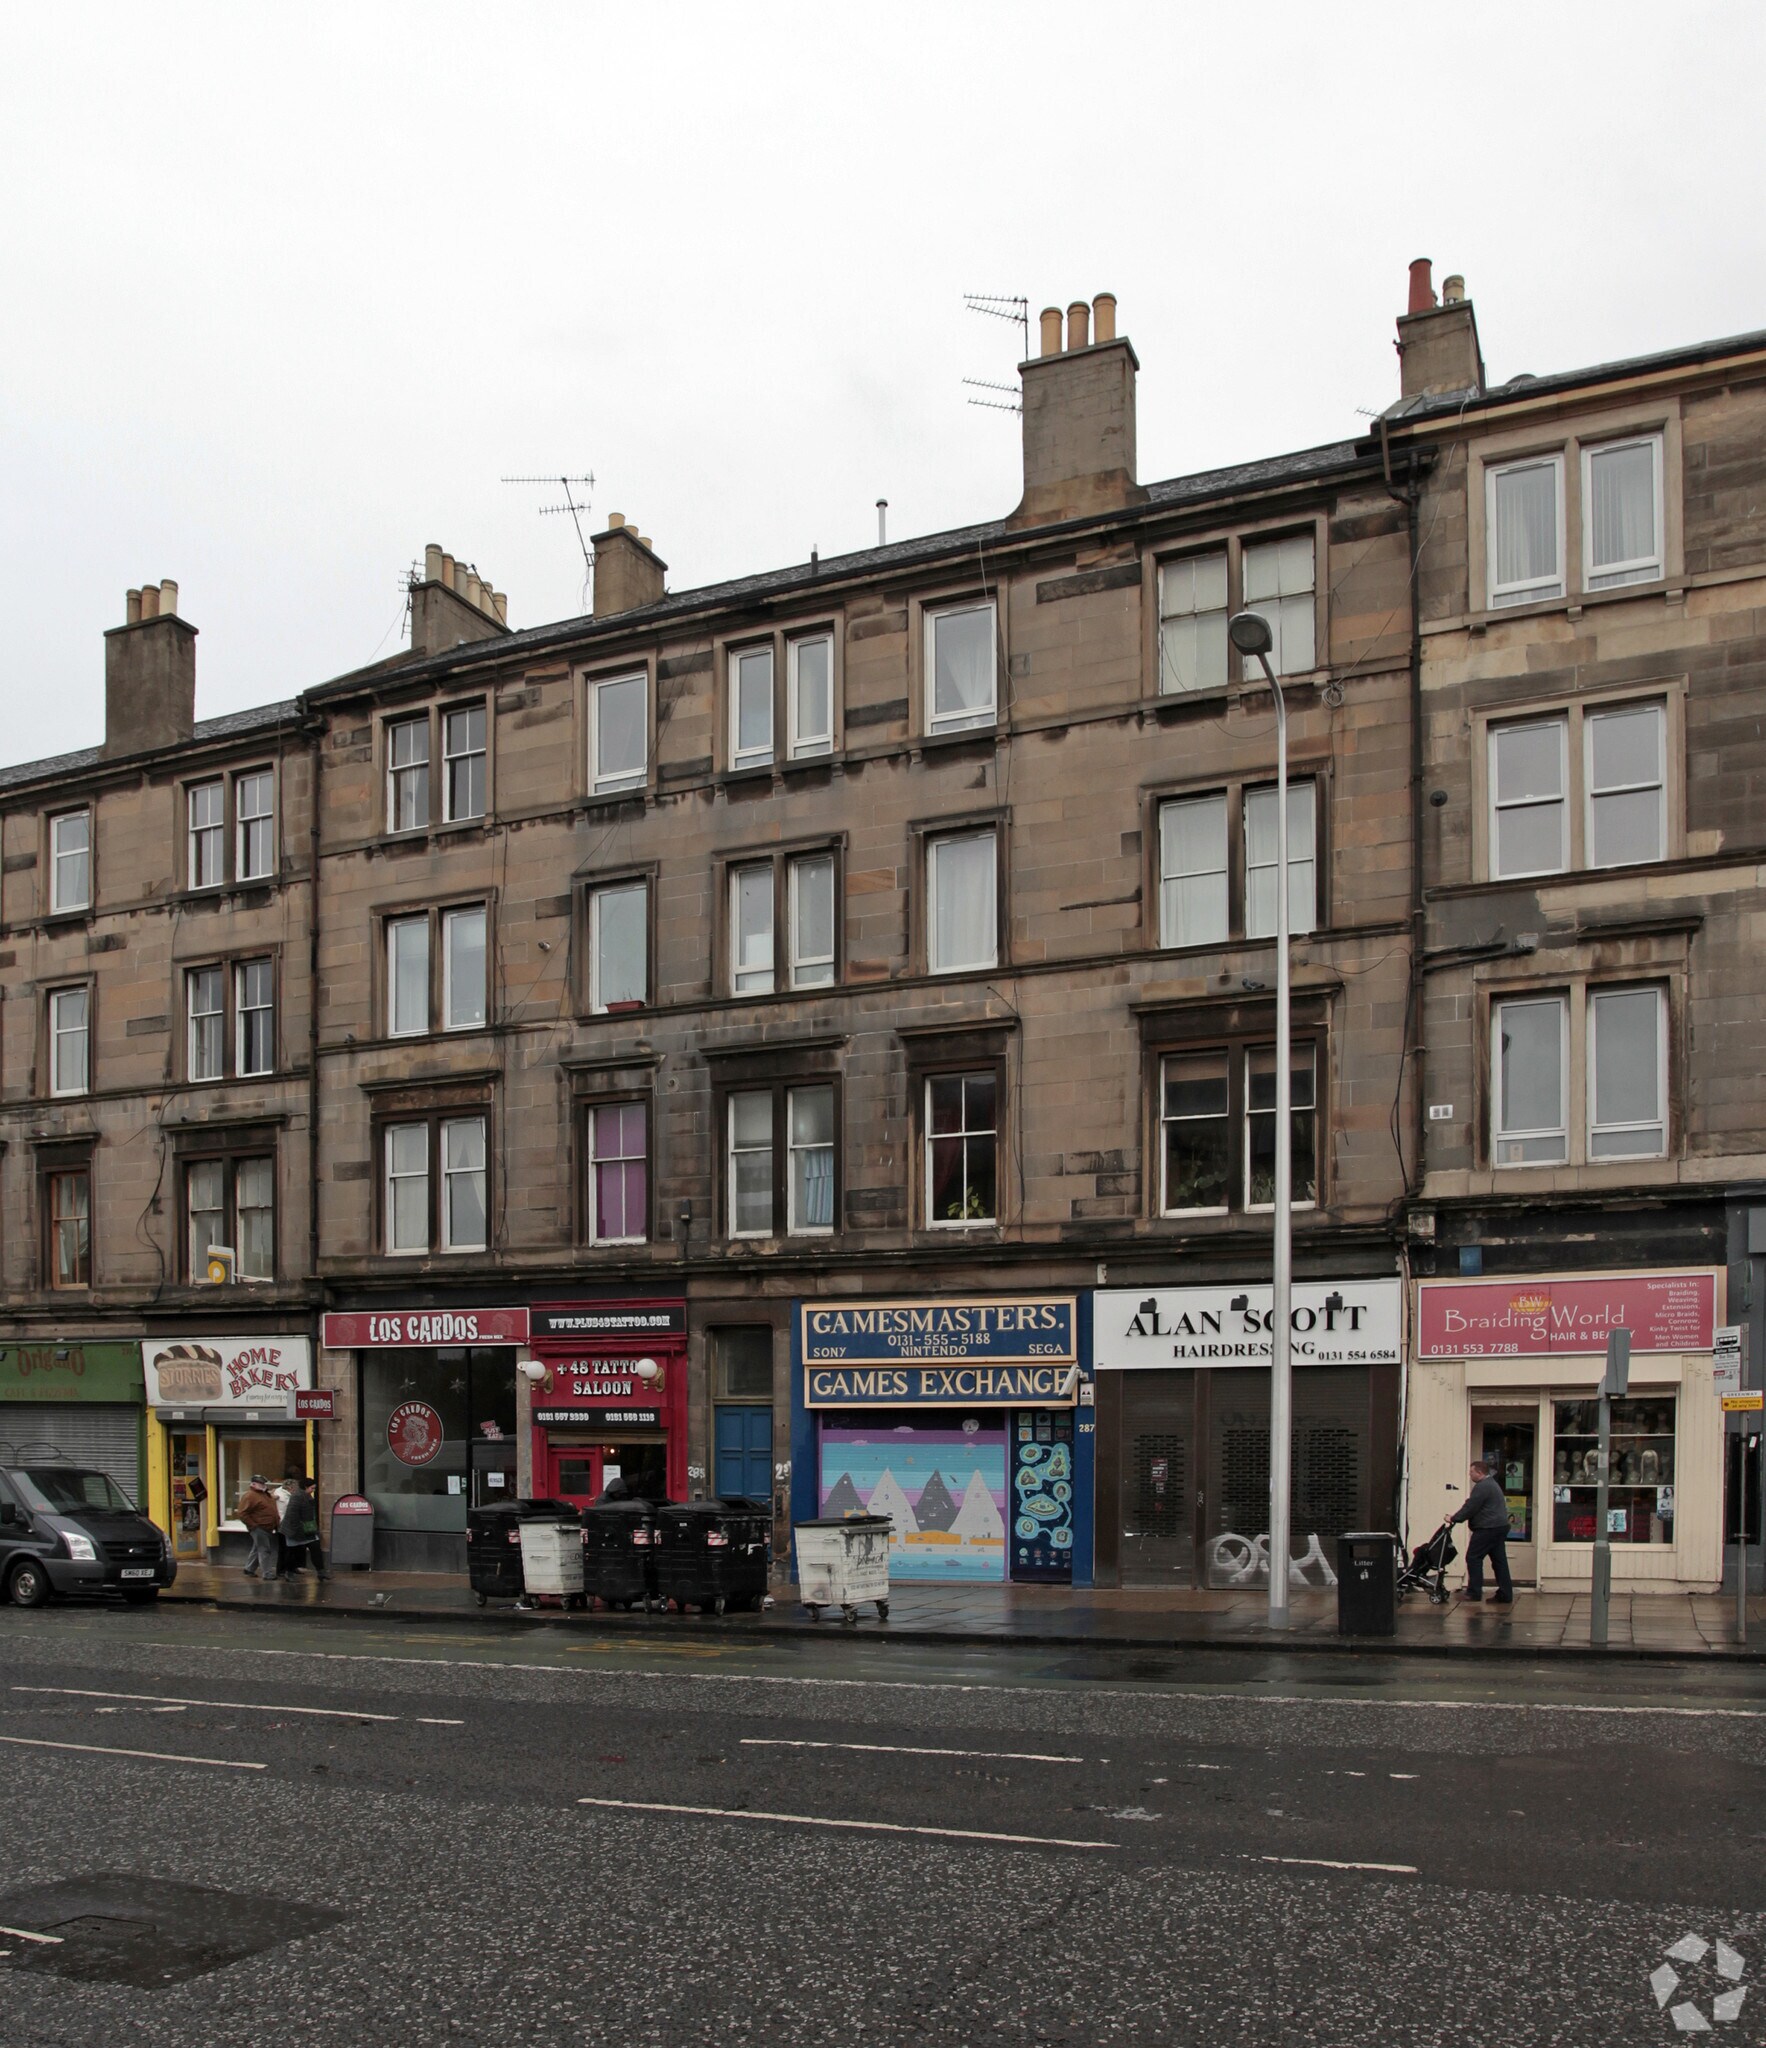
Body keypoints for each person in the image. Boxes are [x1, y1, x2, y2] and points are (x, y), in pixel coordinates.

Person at [1451, 1459, 1514, 1604]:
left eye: (1471, 1472)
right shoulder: (1492, 1484)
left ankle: (1473, 1592)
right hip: (1500, 1526)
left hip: (1488, 1528)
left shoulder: (1482, 1486)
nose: (1469, 1474)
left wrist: (1454, 1518)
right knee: (1499, 1561)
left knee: (1473, 1557)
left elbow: (1471, 1507)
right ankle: (1505, 1594)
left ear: (1479, 1472)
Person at [280, 1475, 327, 1579]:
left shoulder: (307, 1496)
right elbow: (292, 1515)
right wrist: (298, 1530)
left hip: (307, 1529)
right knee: (292, 1551)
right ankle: (289, 1573)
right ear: (306, 1487)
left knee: (315, 1548)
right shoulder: (297, 1496)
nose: (313, 1490)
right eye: (312, 1488)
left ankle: (321, 1572)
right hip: (294, 1530)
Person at [235, 1474, 282, 1581]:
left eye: (264, 1483)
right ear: (253, 1484)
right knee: (264, 1550)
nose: (263, 1485)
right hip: (259, 1527)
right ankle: (267, 1573)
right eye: (261, 1484)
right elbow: (242, 1513)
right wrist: (253, 1525)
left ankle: (249, 1568)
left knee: (257, 1548)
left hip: (267, 1527)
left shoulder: (263, 1494)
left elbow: (269, 1504)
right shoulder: (250, 1496)